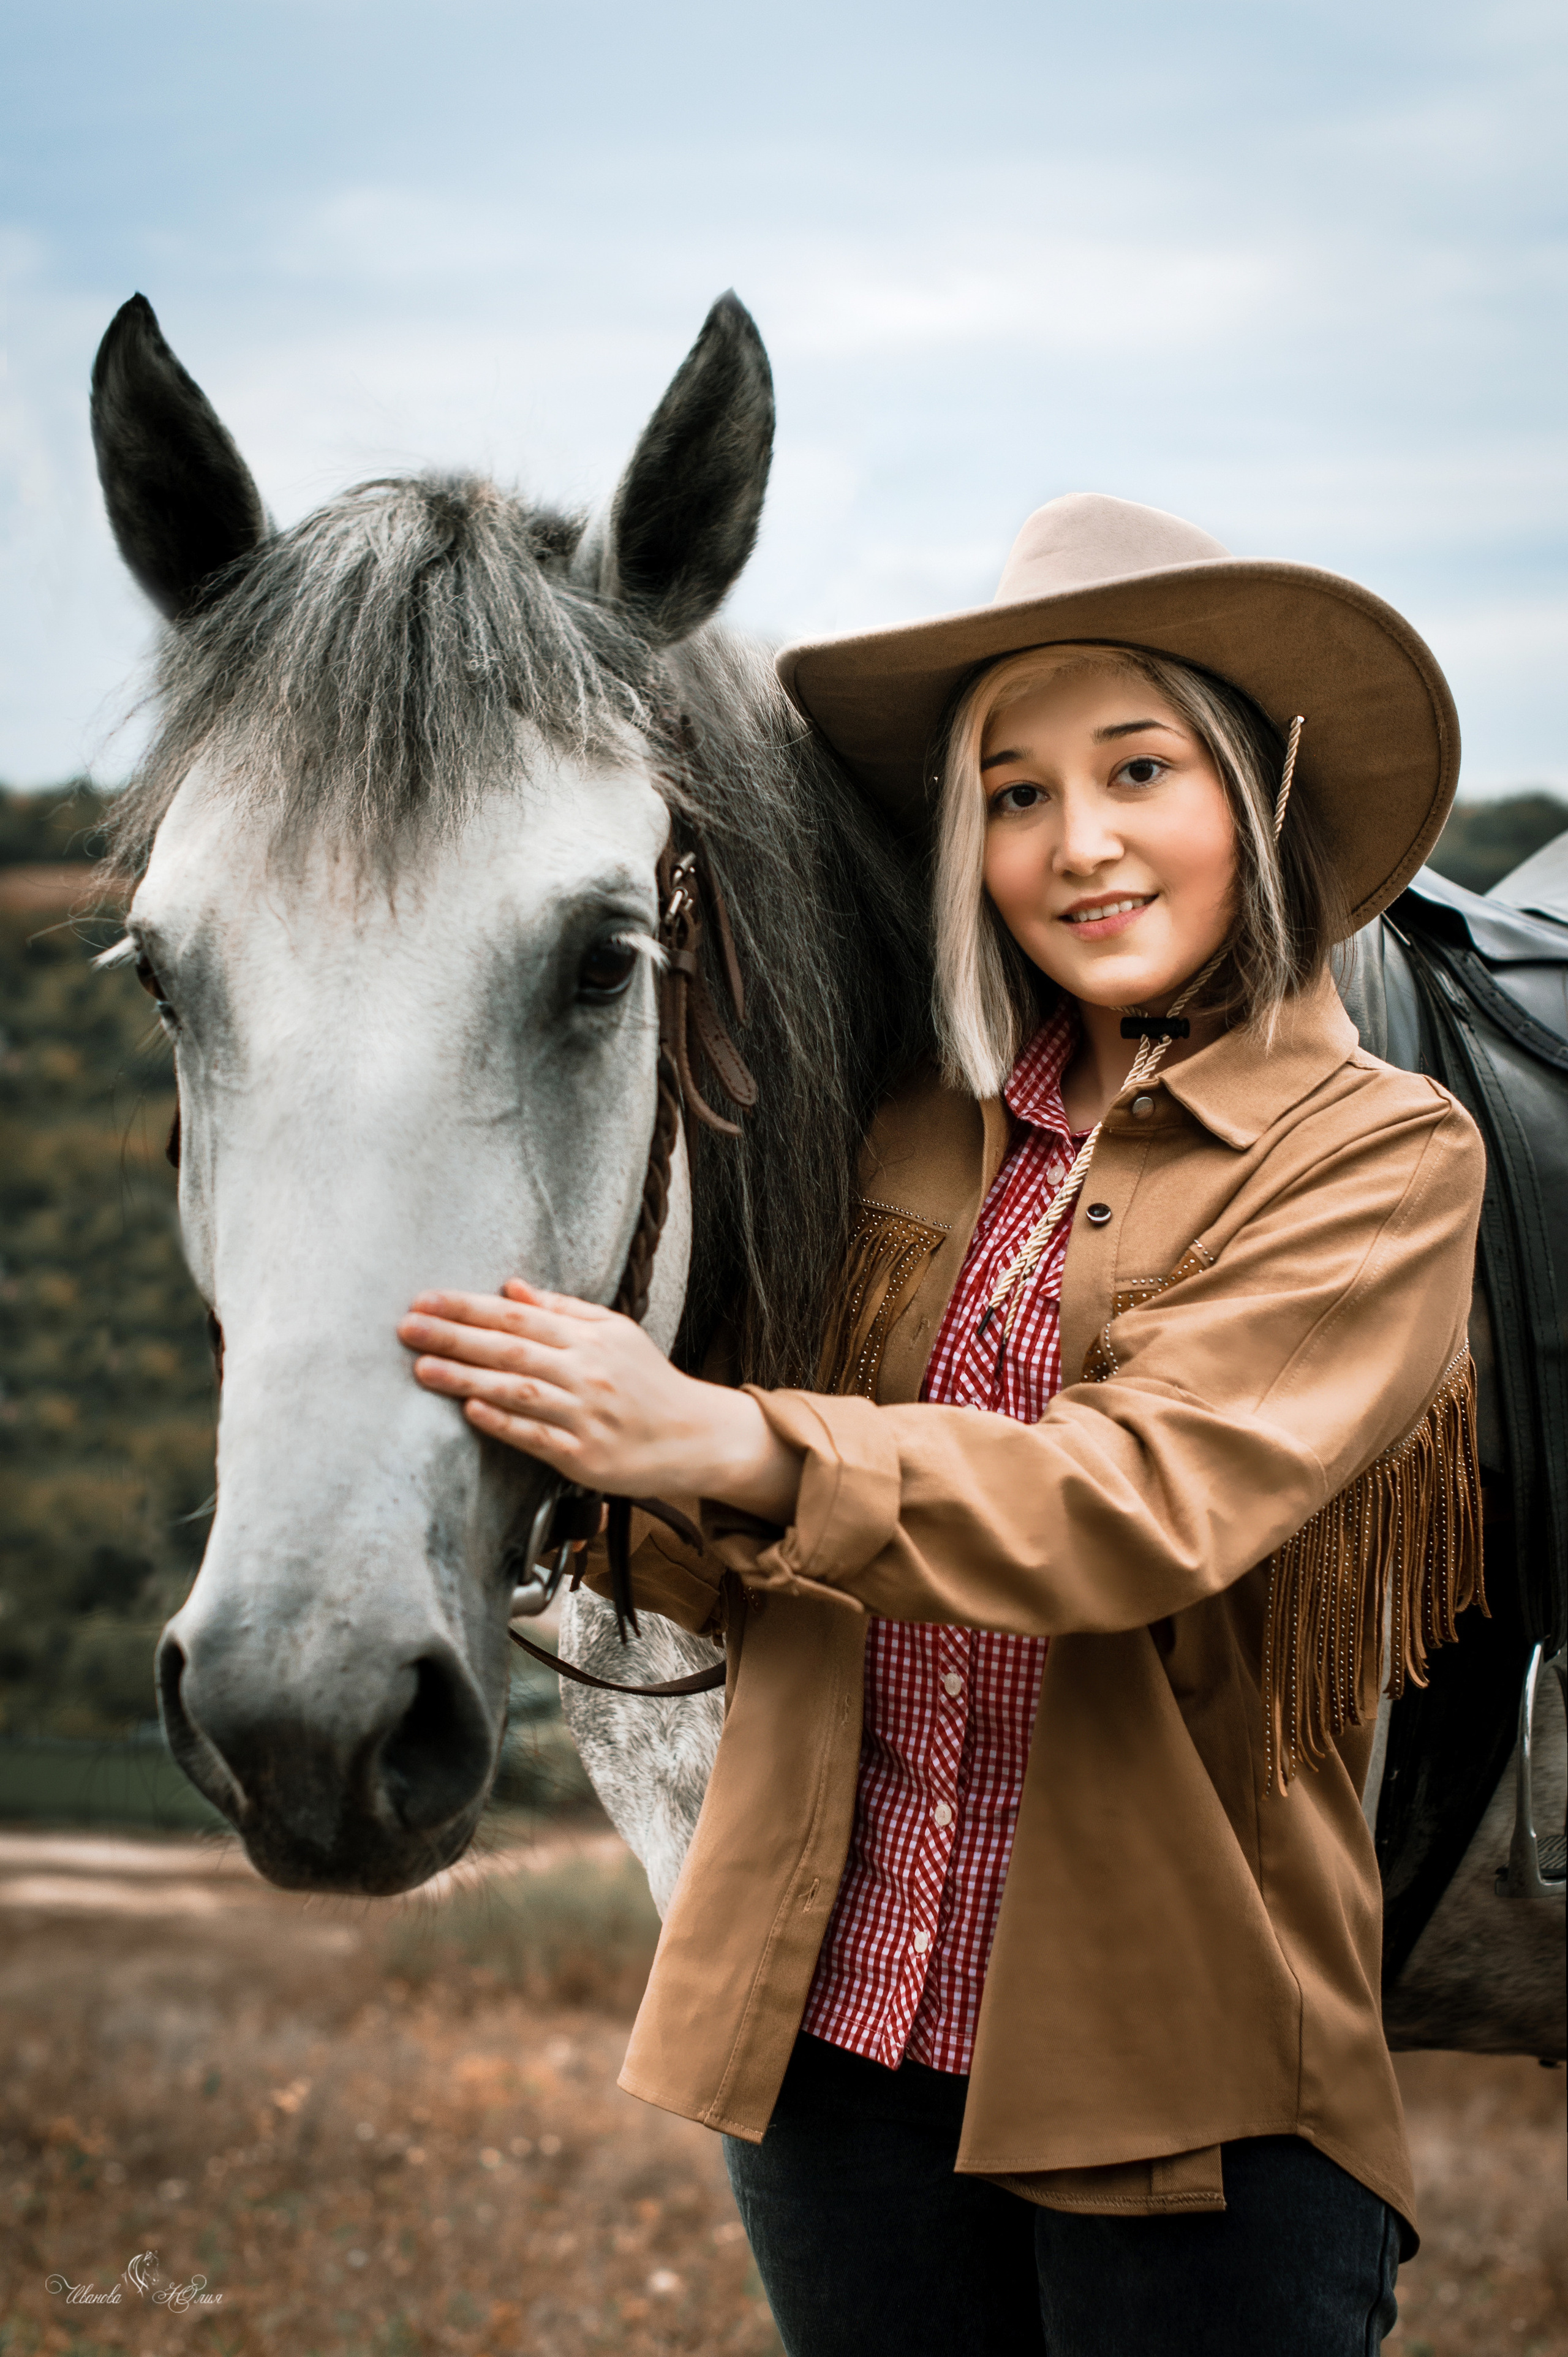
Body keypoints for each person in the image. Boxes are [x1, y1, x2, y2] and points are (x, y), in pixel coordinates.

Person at [396, 494, 1487, 2356]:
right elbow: (760, 1558)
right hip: (832, 2046)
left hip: (1183, 2082)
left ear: (1260, 795)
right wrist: (553, 1459)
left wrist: (728, 1443)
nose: (1081, 845)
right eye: (1015, 792)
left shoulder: (1376, 1157)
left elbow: (1142, 1504)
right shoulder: (901, 1128)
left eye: (1139, 768)